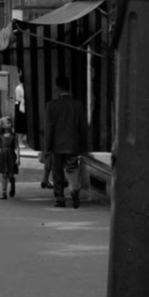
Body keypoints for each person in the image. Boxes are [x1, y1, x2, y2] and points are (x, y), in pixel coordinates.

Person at [43, 73, 89, 209]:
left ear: (58, 87)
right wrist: (83, 145)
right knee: (72, 168)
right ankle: (74, 190)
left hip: (57, 145)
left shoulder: (51, 105)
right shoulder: (78, 105)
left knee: (57, 172)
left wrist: (48, 145)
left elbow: (49, 127)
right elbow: (83, 127)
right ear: (69, 87)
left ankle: (59, 198)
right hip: (73, 144)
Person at [0, 115, 21, 199]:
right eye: (7, 122)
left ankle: (12, 184)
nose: (9, 123)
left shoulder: (14, 136)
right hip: (3, 155)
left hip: (11, 155)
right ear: (2, 125)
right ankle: (3, 192)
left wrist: (18, 158)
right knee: (4, 174)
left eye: (10, 122)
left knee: (10, 174)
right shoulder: (1, 135)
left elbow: (17, 147)